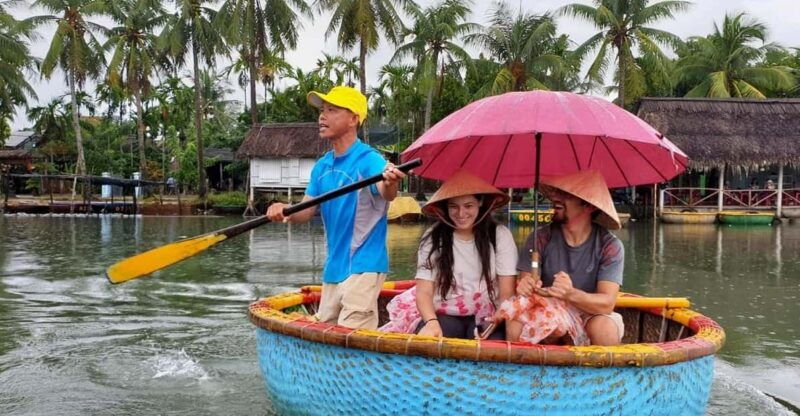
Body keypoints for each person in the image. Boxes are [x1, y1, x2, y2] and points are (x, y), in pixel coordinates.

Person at [266, 86, 405, 330]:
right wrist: (284, 210)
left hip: (364, 266)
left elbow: (386, 192)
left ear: (353, 119)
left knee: (353, 336)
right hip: (334, 268)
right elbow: (306, 211)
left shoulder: (368, 159)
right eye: (322, 110)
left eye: (332, 110)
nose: (322, 116)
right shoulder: (322, 166)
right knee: (326, 333)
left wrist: (391, 181)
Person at [379, 170, 518, 340]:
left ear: (480, 203)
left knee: (494, 344)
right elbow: (424, 292)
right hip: (444, 313)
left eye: (468, 206)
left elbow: (506, 292)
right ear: (445, 207)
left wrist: (498, 318)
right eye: (454, 206)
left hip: (489, 314)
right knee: (431, 341)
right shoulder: (433, 237)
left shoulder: (499, 235)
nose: (461, 214)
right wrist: (431, 322)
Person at [493, 170, 625, 346]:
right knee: (517, 321)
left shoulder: (610, 246)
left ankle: (604, 373)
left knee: (605, 329)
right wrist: (525, 285)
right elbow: (528, 281)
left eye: (566, 195)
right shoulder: (539, 238)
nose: (555, 198)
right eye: (556, 192)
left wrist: (570, 294)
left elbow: (606, 303)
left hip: (589, 312)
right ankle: (524, 370)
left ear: (589, 206)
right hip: (546, 308)